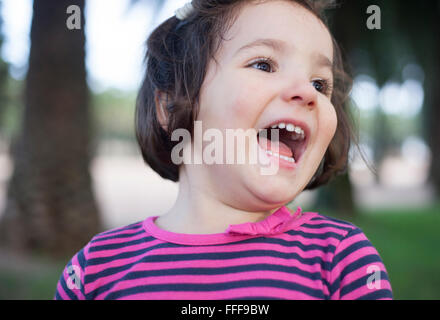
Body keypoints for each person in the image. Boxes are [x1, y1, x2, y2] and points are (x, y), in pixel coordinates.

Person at [55, 0, 393, 300]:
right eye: (264, 64)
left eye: (320, 84)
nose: (307, 92)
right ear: (170, 104)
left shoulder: (341, 260)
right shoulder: (94, 271)